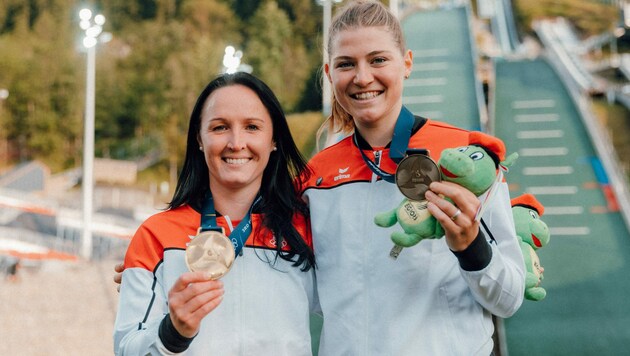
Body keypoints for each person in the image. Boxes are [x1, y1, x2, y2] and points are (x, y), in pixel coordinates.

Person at [299, 1, 525, 355]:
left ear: (406, 63)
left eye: (378, 60)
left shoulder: (465, 156)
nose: (362, 77)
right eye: (346, 64)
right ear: (330, 74)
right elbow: (316, 296)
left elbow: (508, 297)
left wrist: (472, 246)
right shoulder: (315, 176)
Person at [113, 72, 317, 355]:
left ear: (274, 140)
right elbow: (127, 348)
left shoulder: (308, 231)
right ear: (199, 138)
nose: (236, 142)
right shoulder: (157, 235)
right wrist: (172, 333)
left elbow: (361, 299)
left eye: (252, 127)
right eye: (220, 127)